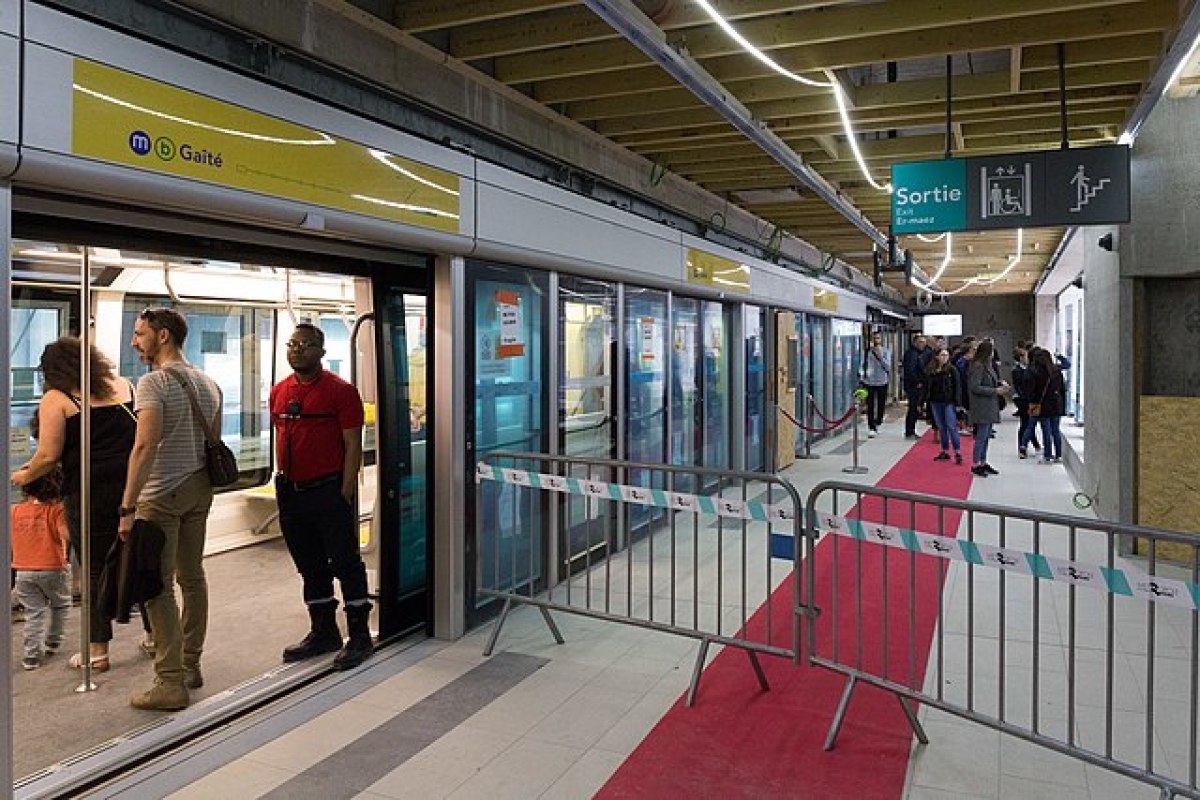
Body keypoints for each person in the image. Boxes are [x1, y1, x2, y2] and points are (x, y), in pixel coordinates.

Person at [10, 337, 143, 673]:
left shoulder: (59, 398)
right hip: (130, 487)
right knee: (136, 558)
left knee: (96, 567)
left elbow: (48, 454)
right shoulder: (124, 385)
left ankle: (97, 651)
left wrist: (25, 476)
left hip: (88, 491)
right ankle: (156, 636)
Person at [119, 307, 222, 711]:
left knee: (156, 586)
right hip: (199, 490)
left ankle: (169, 682)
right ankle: (190, 664)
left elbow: (145, 447)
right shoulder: (209, 383)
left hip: (161, 494)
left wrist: (128, 505)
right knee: (192, 578)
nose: (134, 341)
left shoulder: (153, 383)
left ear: (163, 336)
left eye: (140, 334)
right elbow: (210, 441)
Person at [270, 323, 373, 671]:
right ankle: (323, 631)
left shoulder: (340, 392)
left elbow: (352, 445)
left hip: (328, 490)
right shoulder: (279, 392)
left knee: (345, 562)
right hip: (291, 493)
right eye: (292, 344)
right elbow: (281, 436)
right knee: (310, 566)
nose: (297, 349)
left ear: (322, 351)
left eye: (306, 344)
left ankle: (359, 634)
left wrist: (344, 492)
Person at [10, 468, 70, 670]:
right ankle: (53, 640)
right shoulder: (56, 509)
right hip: (52, 568)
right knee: (60, 605)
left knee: (33, 613)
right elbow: (67, 534)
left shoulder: (15, 511)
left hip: (23, 570)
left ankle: (31, 656)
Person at [967, 339, 1011, 477]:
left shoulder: (988, 366)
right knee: (981, 436)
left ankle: (982, 461)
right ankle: (975, 463)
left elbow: (989, 381)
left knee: (986, 436)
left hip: (989, 405)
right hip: (982, 405)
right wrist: (995, 391)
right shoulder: (978, 366)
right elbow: (975, 387)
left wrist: (1000, 383)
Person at [925, 348, 964, 464]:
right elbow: (928, 387)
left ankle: (957, 451)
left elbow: (957, 387)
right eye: (942, 355)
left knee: (951, 426)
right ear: (937, 356)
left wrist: (958, 403)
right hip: (935, 401)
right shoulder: (931, 370)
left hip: (948, 401)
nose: (945, 357)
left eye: (946, 355)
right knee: (941, 427)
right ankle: (945, 450)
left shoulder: (952, 370)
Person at [1028, 348, 1066, 464]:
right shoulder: (1056, 371)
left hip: (1044, 404)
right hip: (1056, 404)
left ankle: (1048, 455)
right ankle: (1059, 455)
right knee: (1056, 430)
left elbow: (1033, 391)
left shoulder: (1036, 372)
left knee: (1046, 431)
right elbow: (1062, 389)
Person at [1011, 347, 1041, 458]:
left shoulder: (1028, 369)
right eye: (1025, 356)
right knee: (1026, 423)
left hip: (1029, 399)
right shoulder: (1017, 370)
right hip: (1022, 399)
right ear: (1020, 358)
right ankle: (1023, 447)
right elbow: (1019, 386)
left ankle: (1033, 445)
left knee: (1029, 423)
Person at [860, 330, 891, 437]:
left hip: (882, 381)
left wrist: (880, 357)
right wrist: (862, 375)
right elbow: (862, 364)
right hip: (869, 382)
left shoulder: (886, 351)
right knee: (870, 405)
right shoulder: (867, 352)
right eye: (874, 338)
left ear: (881, 339)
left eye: (878, 338)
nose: (876, 340)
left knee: (881, 404)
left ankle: (878, 421)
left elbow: (888, 367)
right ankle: (871, 427)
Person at [901, 333, 928, 439]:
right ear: (915, 342)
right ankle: (909, 431)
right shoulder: (912, 354)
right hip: (913, 386)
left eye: (924, 343)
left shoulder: (918, 353)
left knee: (916, 408)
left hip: (916, 385)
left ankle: (911, 430)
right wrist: (917, 382)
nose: (923, 345)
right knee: (913, 408)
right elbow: (910, 370)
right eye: (920, 342)